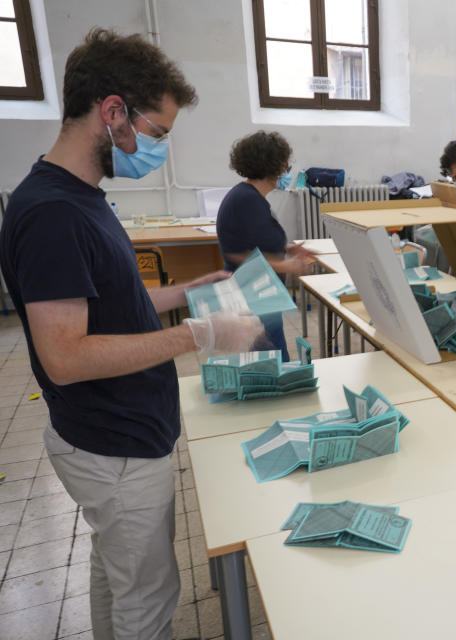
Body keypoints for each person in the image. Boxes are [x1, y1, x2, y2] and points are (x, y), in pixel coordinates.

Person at [0, 29, 264, 640]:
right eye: (159, 133)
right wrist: (198, 335)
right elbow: (64, 357)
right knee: (148, 598)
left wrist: (189, 292)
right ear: (113, 111)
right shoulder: (53, 214)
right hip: (113, 444)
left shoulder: (81, 197)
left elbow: (110, 303)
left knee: (116, 577)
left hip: (118, 434)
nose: (159, 148)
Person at [216, 130, 318, 361]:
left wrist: (290, 249)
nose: (287, 169)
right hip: (254, 294)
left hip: (260, 292)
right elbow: (239, 254)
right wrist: (288, 265)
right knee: (273, 362)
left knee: (270, 356)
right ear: (274, 164)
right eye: (285, 163)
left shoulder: (250, 197)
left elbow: (256, 241)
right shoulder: (247, 200)